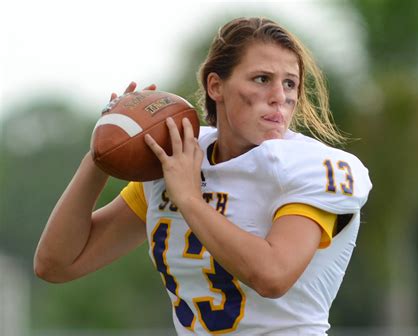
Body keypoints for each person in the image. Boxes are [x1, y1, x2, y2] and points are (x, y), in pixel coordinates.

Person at [34, 17, 372, 335]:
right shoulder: (179, 158)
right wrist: (103, 152)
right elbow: (57, 264)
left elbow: (272, 275)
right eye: (261, 79)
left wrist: (191, 201)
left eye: (290, 83)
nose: (279, 97)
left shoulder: (313, 166)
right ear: (216, 85)